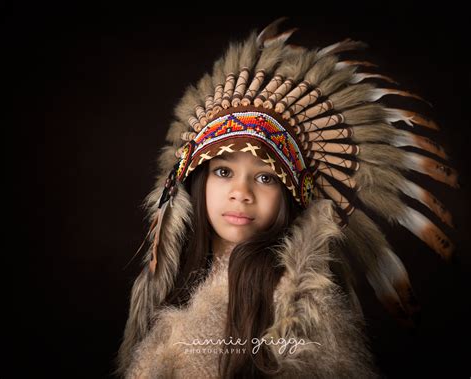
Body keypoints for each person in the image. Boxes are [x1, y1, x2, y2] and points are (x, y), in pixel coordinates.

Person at [116, 19, 457, 378]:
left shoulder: (299, 308)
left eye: (265, 177)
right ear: (197, 182)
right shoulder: (170, 287)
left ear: (290, 197)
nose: (241, 193)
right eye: (223, 171)